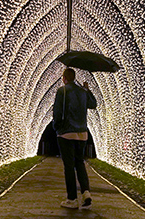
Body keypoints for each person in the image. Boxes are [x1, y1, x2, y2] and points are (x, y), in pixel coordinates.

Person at [53, 67, 97, 209]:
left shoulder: (62, 91)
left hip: (66, 133)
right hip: (82, 134)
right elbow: (93, 104)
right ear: (74, 77)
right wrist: (87, 90)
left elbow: (57, 112)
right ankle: (86, 193)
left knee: (69, 167)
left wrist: (57, 127)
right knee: (80, 163)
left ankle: (72, 199)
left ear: (64, 78)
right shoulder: (82, 92)